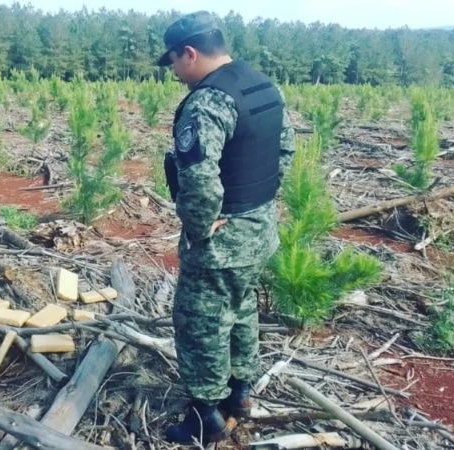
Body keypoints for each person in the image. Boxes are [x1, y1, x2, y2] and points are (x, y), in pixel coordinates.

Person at [157, 11, 296, 445]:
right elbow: (284, 152)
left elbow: (199, 177)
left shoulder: (207, 101)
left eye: (174, 62)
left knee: (200, 323)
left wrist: (200, 227)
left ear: (191, 53)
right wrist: (256, 205)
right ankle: (240, 396)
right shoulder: (262, 86)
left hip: (221, 240)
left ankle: (205, 418)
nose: (175, 72)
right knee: (241, 311)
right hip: (259, 230)